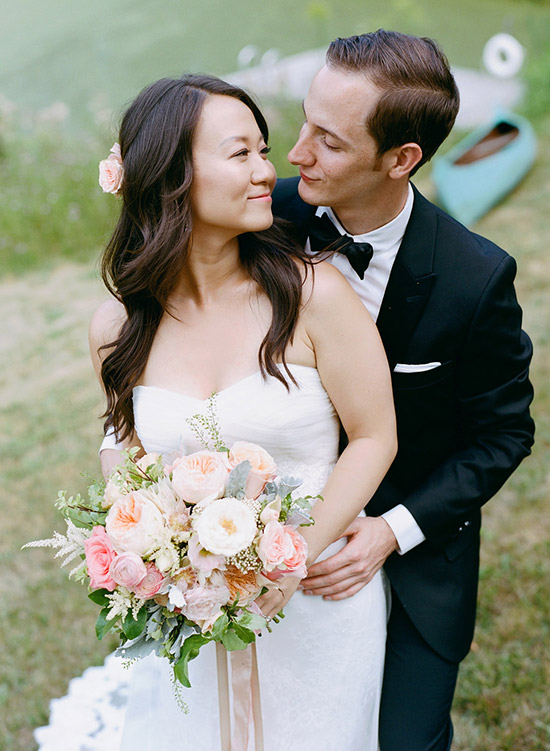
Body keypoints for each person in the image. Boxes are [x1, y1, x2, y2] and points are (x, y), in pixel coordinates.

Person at [37, 74, 397, 751]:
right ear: (174, 175)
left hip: (319, 599)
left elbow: (376, 436)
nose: (269, 170)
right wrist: (143, 539)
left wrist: (294, 558)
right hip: (192, 609)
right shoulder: (118, 326)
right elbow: (125, 443)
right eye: (242, 154)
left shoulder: (313, 294)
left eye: (263, 150)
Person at [271, 29, 535, 751]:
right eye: (304, 121)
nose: (296, 154)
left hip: (412, 560)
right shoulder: (263, 223)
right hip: (264, 534)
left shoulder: (475, 279)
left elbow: (504, 434)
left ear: (402, 159)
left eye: (328, 139)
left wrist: (393, 529)